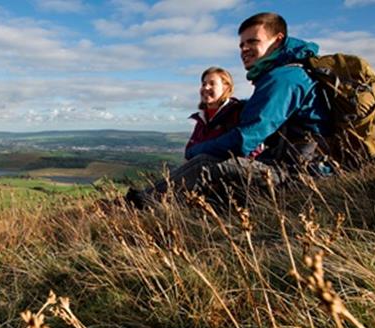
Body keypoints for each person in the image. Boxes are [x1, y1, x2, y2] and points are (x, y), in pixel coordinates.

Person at [126, 12, 330, 208]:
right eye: (242, 44)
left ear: (277, 40)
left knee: (205, 164)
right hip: (293, 166)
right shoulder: (281, 76)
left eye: (253, 42)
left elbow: (244, 140)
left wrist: (195, 151)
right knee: (215, 182)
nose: (244, 49)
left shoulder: (284, 79)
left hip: (299, 174)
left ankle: (139, 205)